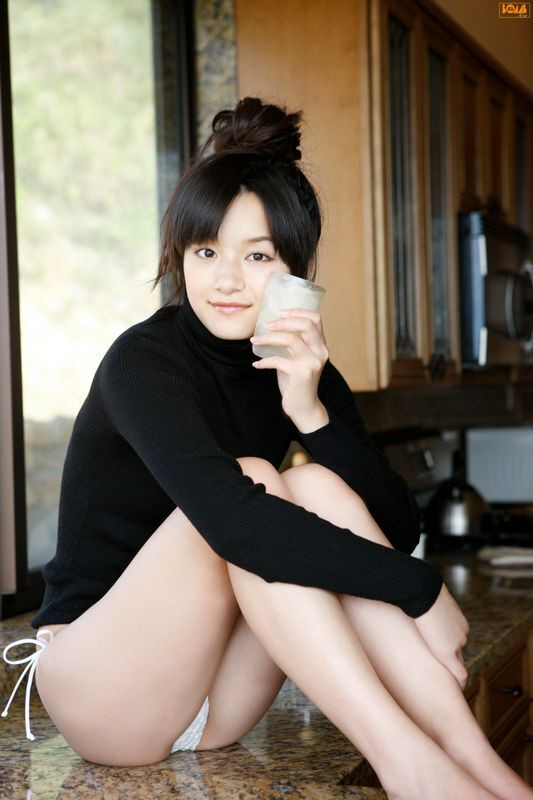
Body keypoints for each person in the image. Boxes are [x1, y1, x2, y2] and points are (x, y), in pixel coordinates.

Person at [2, 97, 531, 800]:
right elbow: (234, 524)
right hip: (105, 690)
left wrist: (310, 411)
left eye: (256, 256)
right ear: (180, 256)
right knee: (253, 482)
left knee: (311, 487)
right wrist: (422, 588)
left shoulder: (297, 363)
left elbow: (394, 526)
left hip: (219, 696)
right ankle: (408, 764)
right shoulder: (143, 363)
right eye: (205, 252)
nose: (225, 280)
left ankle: (475, 761)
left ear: (296, 270)